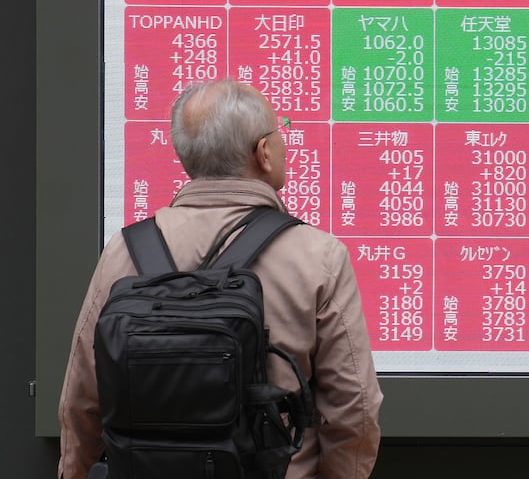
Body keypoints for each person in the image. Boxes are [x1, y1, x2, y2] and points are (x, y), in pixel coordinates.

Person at [58, 79, 383, 478]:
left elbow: (82, 400)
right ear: (263, 153)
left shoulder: (124, 250)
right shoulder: (316, 255)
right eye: (281, 130)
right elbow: (354, 408)